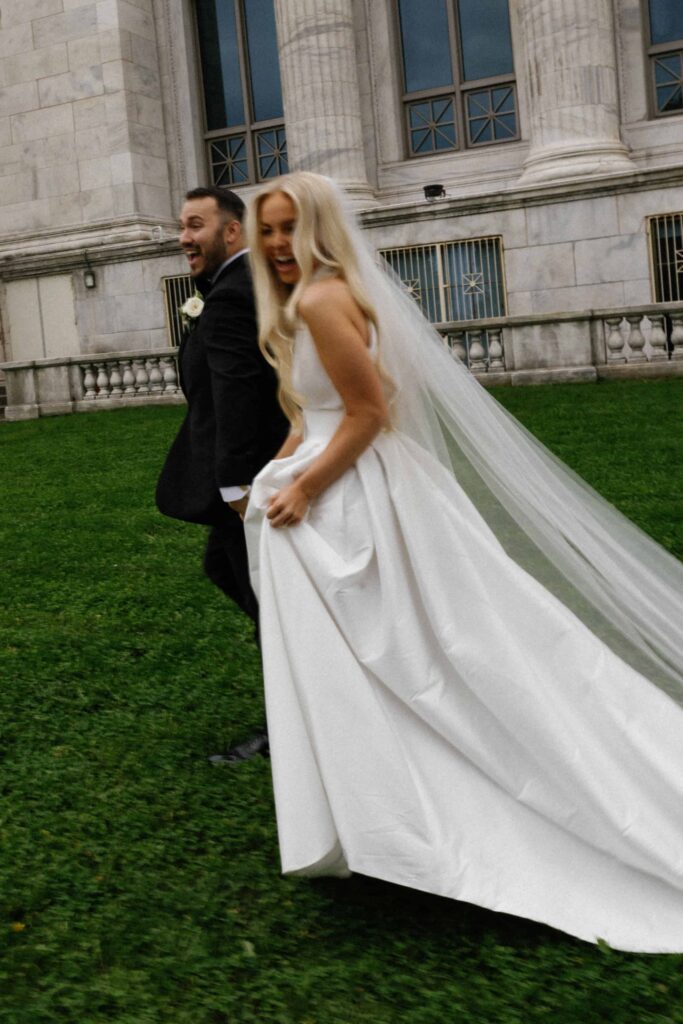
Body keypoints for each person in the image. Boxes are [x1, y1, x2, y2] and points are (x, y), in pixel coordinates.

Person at [242, 171, 683, 952]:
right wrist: (274, 476)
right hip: (346, 486)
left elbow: (370, 412)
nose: (277, 244)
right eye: (267, 230)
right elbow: (312, 412)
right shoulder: (316, 297)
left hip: (354, 498)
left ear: (315, 228)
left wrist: (305, 487)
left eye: (289, 228)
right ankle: (385, 810)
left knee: (419, 656)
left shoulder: (319, 298)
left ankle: (424, 815)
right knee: (411, 653)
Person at [156, 186, 288, 763]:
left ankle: (290, 724)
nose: (184, 237)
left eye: (195, 225)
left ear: (231, 231)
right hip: (248, 478)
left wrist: (239, 489)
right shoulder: (235, 287)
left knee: (270, 603)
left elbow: (241, 397)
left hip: (247, 484)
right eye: (181, 226)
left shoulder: (233, 296)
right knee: (229, 572)